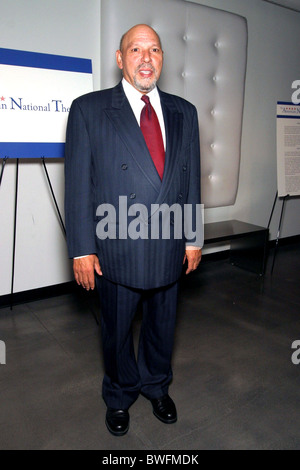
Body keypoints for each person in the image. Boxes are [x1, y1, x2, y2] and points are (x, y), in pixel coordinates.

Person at [64, 24, 203, 436]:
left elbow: (192, 178)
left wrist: (193, 237)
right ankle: (120, 391)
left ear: (162, 58)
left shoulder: (185, 111)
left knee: (163, 325)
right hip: (115, 247)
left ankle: (156, 385)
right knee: (117, 329)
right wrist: (80, 249)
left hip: (170, 241)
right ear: (120, 58)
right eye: (136, 49)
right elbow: (77, 185)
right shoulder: (88, 109)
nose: (147, 58)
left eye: (155, 49)